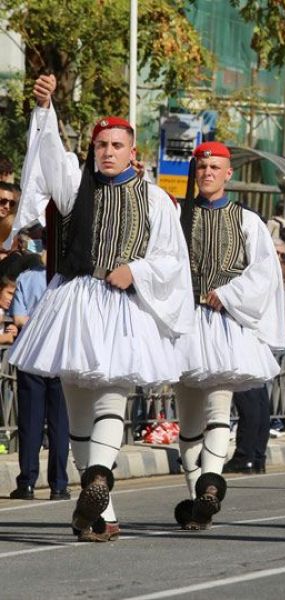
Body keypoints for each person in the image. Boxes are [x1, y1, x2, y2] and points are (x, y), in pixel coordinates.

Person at [8, 74, 194, 542]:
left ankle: (97, 482)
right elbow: (50, 154)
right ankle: (101, 509)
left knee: (113, 393)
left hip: (126, 306)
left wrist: (137, 270)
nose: (107, 152)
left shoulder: (154, 199)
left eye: (116, 145)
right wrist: (46, 109)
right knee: (77, 410)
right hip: (76, 302)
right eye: (101, 145)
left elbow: (172, 258)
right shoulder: (76, 186)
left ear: (133, 151)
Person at [172, 142, 285, 530]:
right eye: (202, 167)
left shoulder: (246, 220)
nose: (207, 173)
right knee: (187, 419)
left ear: (228, 174)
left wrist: (229, 294)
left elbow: (265, 273)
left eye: (214, 167)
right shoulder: (176, 215)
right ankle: (195, 495)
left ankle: (211, 484)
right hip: (185, 324)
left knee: (219, 407)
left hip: (223, 323)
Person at [8, 252, 70, 501]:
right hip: (59, 355)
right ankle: (59, 484)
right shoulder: (67, 281)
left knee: (30, 423)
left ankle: (27, 483)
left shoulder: (26, 277)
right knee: (59, 424)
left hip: (31, 354)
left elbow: (20, 318)